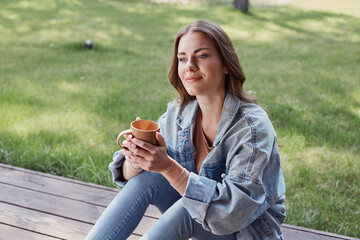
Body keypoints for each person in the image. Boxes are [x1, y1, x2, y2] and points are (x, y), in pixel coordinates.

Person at [85, 20, 286, 240]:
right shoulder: (180, 113)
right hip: (205, 227)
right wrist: (137, 158)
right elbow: (127, 176)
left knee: (191, 206)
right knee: (149, 179)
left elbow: (228, 212)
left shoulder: (252, 127)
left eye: (201, 55)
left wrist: (168, 167)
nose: (189, 65)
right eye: (182, 58)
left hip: (244, 233)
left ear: (226, 64)